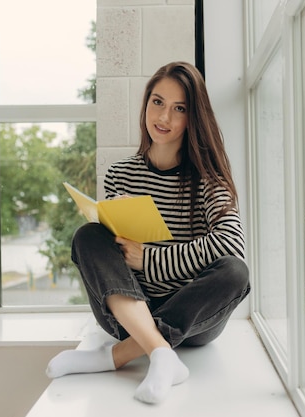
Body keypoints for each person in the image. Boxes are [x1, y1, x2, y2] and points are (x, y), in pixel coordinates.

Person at [45, 61, 250, 404]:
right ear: (145, 105)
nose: (164, 118)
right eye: (157, 102)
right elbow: (113, 256)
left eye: (178, 108)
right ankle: (159, 351)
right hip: (128, 313)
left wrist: (149, 259)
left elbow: (231, 244)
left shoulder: (210, 180)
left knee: (236, 271)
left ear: (193, 118)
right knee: (87, 235)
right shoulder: (120, 175)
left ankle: (116, 357)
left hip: (193, 319)